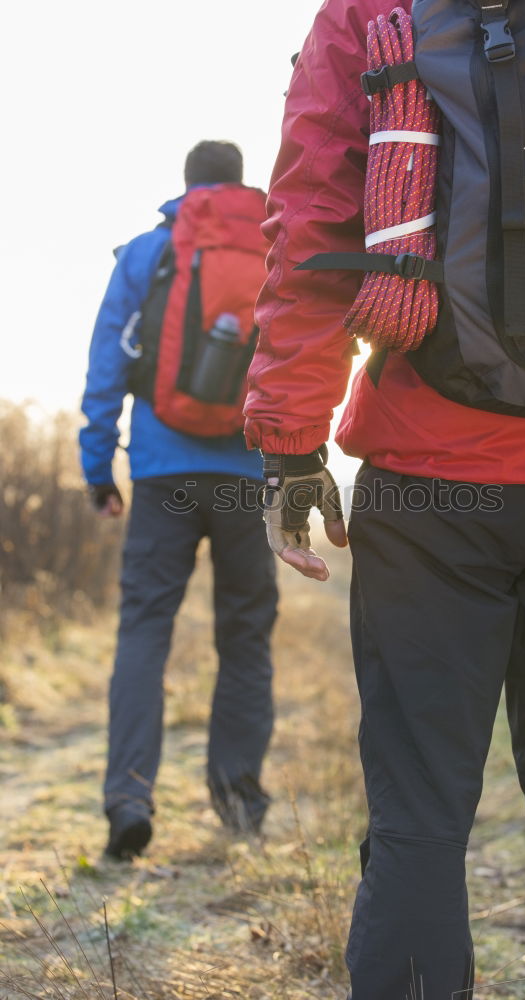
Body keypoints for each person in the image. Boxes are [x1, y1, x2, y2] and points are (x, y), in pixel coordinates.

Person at [244, 2, 525, 997]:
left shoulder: (377, 14)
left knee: (420, 814)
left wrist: (291, 450)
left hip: (433, 485)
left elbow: (311, 225)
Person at [80, 140, 277, 860]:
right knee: (245, 636)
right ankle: (239, 801)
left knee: (144, 633)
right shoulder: (273, 249)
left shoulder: (146, 254)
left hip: (164, 477)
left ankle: (129, 799)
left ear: (188, 188)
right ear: (239, 185)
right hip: (248, 477)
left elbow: (106, 360)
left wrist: (99, 470)